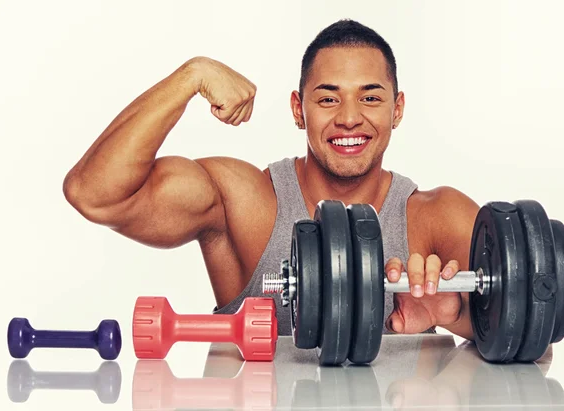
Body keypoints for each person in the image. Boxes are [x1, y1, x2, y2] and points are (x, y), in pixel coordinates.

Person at [62, 19, 479, 340]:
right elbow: (94, 194)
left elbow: (538, 338)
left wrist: (454, 314)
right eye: (328, 98)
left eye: (370, 97)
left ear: (397, 108)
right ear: (299, 110)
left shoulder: (436, 218)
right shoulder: (246, 203)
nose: (349, 117)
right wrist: (191, 75)